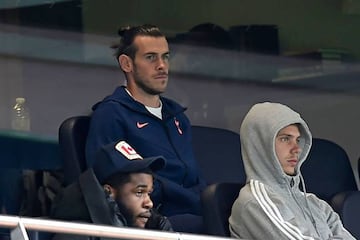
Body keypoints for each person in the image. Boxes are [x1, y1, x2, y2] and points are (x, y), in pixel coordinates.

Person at [85, 24, 206, 233]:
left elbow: (194, 175)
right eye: (151, 57)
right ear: (127, 63)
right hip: (158, 222)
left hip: (200, 214)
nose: (162, 66)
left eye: (165, 57)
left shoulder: (177, 117)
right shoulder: (112, 115)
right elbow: (112, 188)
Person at [229, 102, 355, 240]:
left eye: (298, 140)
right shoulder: (254, 202)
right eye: (285, 139)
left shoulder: (315, 203)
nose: (297, 149)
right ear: (261, 145)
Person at [50, 140, 172, 240]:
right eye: (139, 192)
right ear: (108, 191)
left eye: (149, 193)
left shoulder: (152, 229)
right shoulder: (76, 234)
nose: (149, 203)